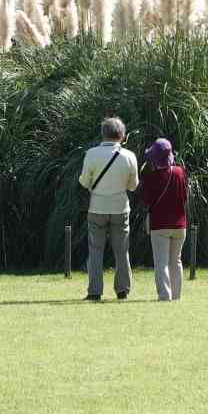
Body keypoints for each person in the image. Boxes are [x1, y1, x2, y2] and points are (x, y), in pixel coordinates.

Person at [78, 116, 138, 302]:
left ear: (103, 134)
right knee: (121, 250)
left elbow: (84, 181)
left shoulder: (91, 154)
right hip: (120, 208)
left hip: (97, 208)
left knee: (95, 250)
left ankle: (95, 291)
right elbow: (133, 186)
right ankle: (122, 290)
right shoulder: (129, 156)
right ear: (122, 135)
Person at [138, 137, 189, 301]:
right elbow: (185, 195)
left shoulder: (151, 177)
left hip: (160, 224)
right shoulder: (180, 172)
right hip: (180, 224)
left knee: (161, 262)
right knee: (176, 261)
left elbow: (146, 200)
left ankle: (164, 295)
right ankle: (176, 296)